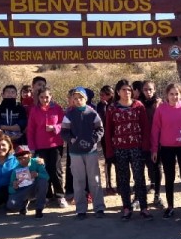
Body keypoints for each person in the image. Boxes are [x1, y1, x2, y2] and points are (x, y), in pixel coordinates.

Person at [105, 79, 153, 220]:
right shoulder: (112, 108)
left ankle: (144, 207)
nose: (126, 92)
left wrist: (145, 148)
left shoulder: (138, 106)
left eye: (128, 89)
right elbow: (109, 132)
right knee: (124, 179)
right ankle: (126, 207)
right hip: (120, 149)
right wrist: (109, 153)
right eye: (123, 90)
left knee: (139, 178)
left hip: (137, 148)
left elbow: (145, 128)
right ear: (118, 92)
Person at [60, 86, 106, 219]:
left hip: (91, 152)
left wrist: (93, 139)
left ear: (85, 99)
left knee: (95, 180)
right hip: (75, 153)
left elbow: (100, 129)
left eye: (81, 98)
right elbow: (64, 132)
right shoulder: (69, 115)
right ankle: (81, 209)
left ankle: (99, 207)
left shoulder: (92, 113)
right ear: (72, 100)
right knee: (78, 181)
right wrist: (72, 140)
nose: (78, 100)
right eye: (75, 98)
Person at [151, 83, 181, 219]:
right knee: (169, 177)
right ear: (167, 95)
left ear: (180, 94)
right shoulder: (161, 109)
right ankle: (170, 207)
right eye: (171, 94)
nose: (174, 96)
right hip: (167, 148)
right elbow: (156, 129)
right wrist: (154, 149)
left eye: (177, 94)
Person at [26, 86, 68, 208]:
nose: (45, 99)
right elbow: (31, 130)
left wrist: (55, 128)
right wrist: (31, 146)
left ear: (51, 97)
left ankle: (60, 195)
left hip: (55, 144)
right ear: (38, 98)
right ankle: (47, 195)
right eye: (42, 97)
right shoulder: (34, 110)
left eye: (47, 97)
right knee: (43, 171)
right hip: (40, 145)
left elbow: (64, 124)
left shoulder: (57, 109)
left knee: (56, 170)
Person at [139, 80, 165, 209]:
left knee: (157, 167)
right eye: (145, 89)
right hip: (142, 140)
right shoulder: (137, 104)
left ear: (154, 90)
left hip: (157, 140)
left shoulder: (159, 104)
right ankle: (139, 196)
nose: (148, 92)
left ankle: (157, 195)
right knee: (140, 167)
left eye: (150, 89)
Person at [7, 145, 49, 219]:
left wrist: (37, 174)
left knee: (42, 181)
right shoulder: (16, 170)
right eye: (19, 158)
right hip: (24, 191)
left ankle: (39, 209)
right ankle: (23, 205)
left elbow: (47, 177)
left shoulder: (37, 163)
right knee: (11, 205)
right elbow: (10, 189)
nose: (22, 160)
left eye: (25, 158)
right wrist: (14, 186)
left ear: (30, 155)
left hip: (36, 188)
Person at [96, 85, 117, 195]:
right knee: (108, 159)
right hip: (105, 137)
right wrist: (104, 107)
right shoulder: (100, 106)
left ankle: (120, 184)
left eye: (105, 95)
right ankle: (108, 185)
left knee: (119, 161)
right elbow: (101, 119)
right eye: (101, 94)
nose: (102, 97)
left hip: (116, 136)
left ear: (111, 95)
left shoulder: (115, 104)